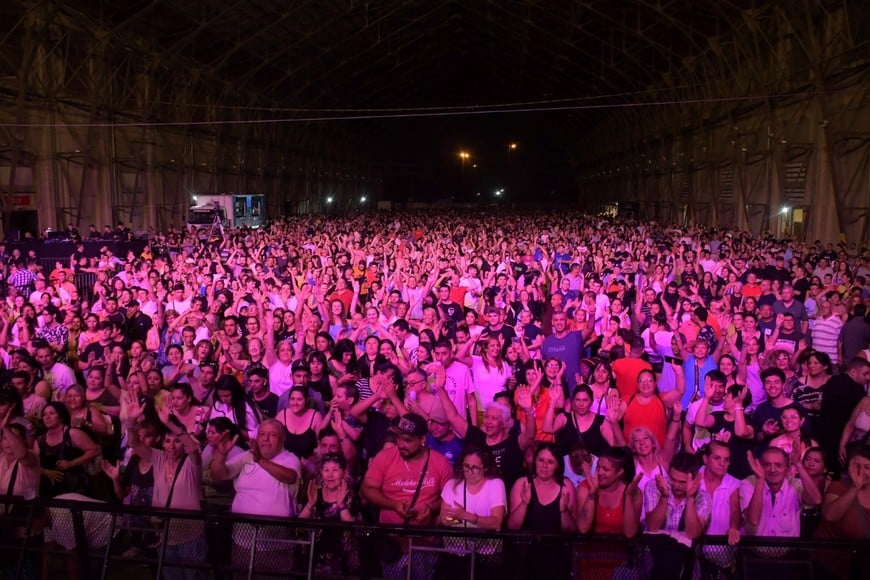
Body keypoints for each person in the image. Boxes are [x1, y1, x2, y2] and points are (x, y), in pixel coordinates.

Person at [210, 418, 301, 573]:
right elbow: (219, 474)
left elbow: (289, 476)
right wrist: (221, 455)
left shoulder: (290, 458)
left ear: (282, 439)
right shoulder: (246, 456)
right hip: (243, 540)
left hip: (276, 543)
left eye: (272, 435)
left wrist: (260, 460)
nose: (265, 439)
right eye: (262, 434)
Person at [432, 361, 536, 490]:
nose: (488, 421)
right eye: (486, 417)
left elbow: (530, 436)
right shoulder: (477, 437)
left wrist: (528, 410)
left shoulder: (513, 443)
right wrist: (441, 389)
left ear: (504, 422)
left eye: (494, 418)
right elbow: (453, 417)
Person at [636, 451, 711, 580]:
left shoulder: (703, 498)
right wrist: (664, 497)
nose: (676, 485)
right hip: (654, 559)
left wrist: (690, 498)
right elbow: (653, 526)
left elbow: (693, 533)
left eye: (682, 482)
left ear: (695, 479)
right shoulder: (655, 486)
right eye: (673, 479)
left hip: (685, 562)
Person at [507, 443, 576, 580]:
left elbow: (571, 531)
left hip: (557, 559)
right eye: (541, 460)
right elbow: (512, 527)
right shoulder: (522, 483)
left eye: (550, 462)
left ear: (557, 465)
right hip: (525, 557)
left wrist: (563, 511)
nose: (544, 465)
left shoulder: (566, 485)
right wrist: (524, 503)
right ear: (535, 461)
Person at [438, 446, 506, 579]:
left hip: (486, 557)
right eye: (466, 466)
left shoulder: (495, 485)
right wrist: (457, 519)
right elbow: (443, 518)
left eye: (475, 468)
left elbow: (496, 522)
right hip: (455, 555)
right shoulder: (451, 485)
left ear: (485, 468)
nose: (469, 472)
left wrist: (467, 517)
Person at [740, 446, 822, 539]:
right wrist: (760, 480)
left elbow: (816, 500)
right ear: (760, 466)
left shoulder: (794, 484)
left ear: (787, 470)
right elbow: (753, 520)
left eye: (778, 465)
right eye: (767, 465)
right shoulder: (749, 483)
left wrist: (798, 464)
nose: (772, 470)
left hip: (788, 552)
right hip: (754, 551)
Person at [298, 453, 359, 576]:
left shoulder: (350, 495)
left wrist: (342, 505)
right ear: (321, 473)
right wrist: (310, 504)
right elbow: (300, 522)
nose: (330, 475)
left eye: (335, 470)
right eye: (326, 470)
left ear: (343, 473)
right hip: (317, 554)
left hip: (342, 556)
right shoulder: (315, 493)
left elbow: (351, 526)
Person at [544, 384, 624, 458]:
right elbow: (547, 429)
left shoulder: (601, 422)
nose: (581, 404)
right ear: (573, 402)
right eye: (577, 400)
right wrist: (553, 402)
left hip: (592, 471)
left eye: (585, 400)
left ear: (591, 402)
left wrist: (614, 422)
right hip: (567, 470)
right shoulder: (564, 418)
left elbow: (618, 448)